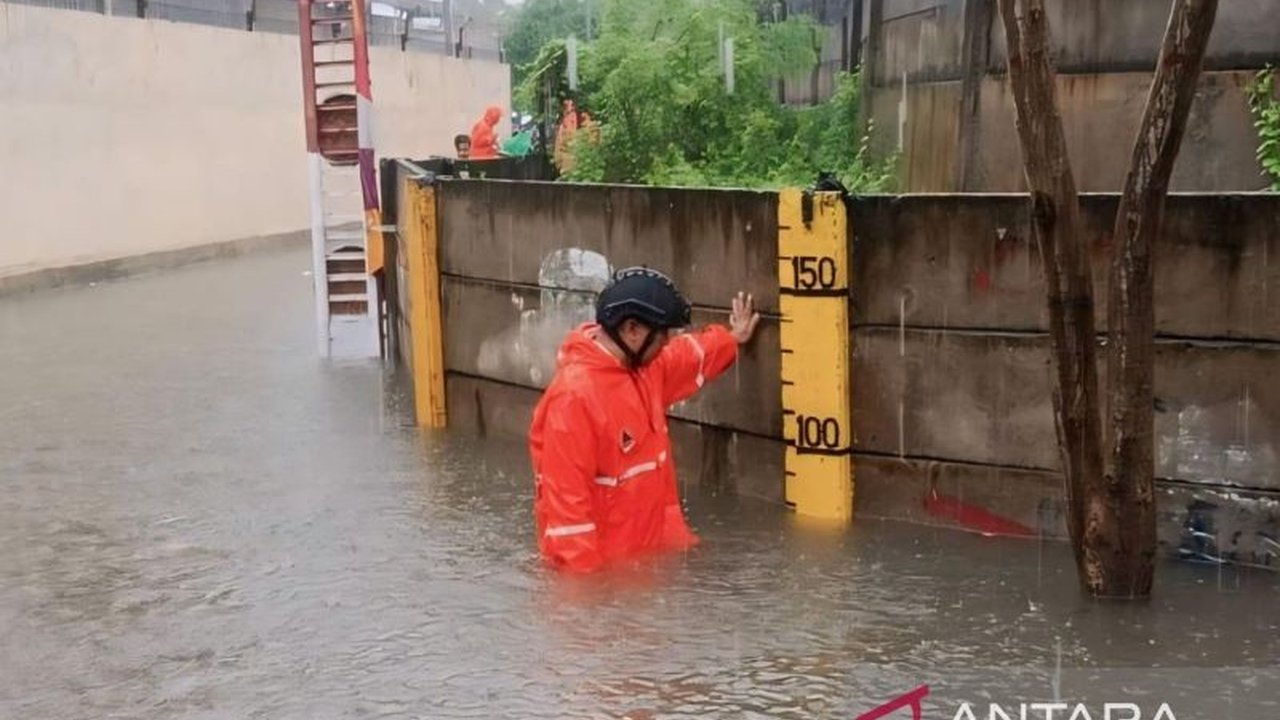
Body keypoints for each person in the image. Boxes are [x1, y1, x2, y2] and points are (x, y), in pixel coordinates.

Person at [528, 267, 761, 573]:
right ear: (632, 329)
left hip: (652, 563)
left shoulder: (645, 369)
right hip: (609, 578)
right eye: (663, 334)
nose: (667, 342)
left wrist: (731, 339)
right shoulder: (573, 400)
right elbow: (568, 526)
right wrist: (590, 599)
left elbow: (688, 355)